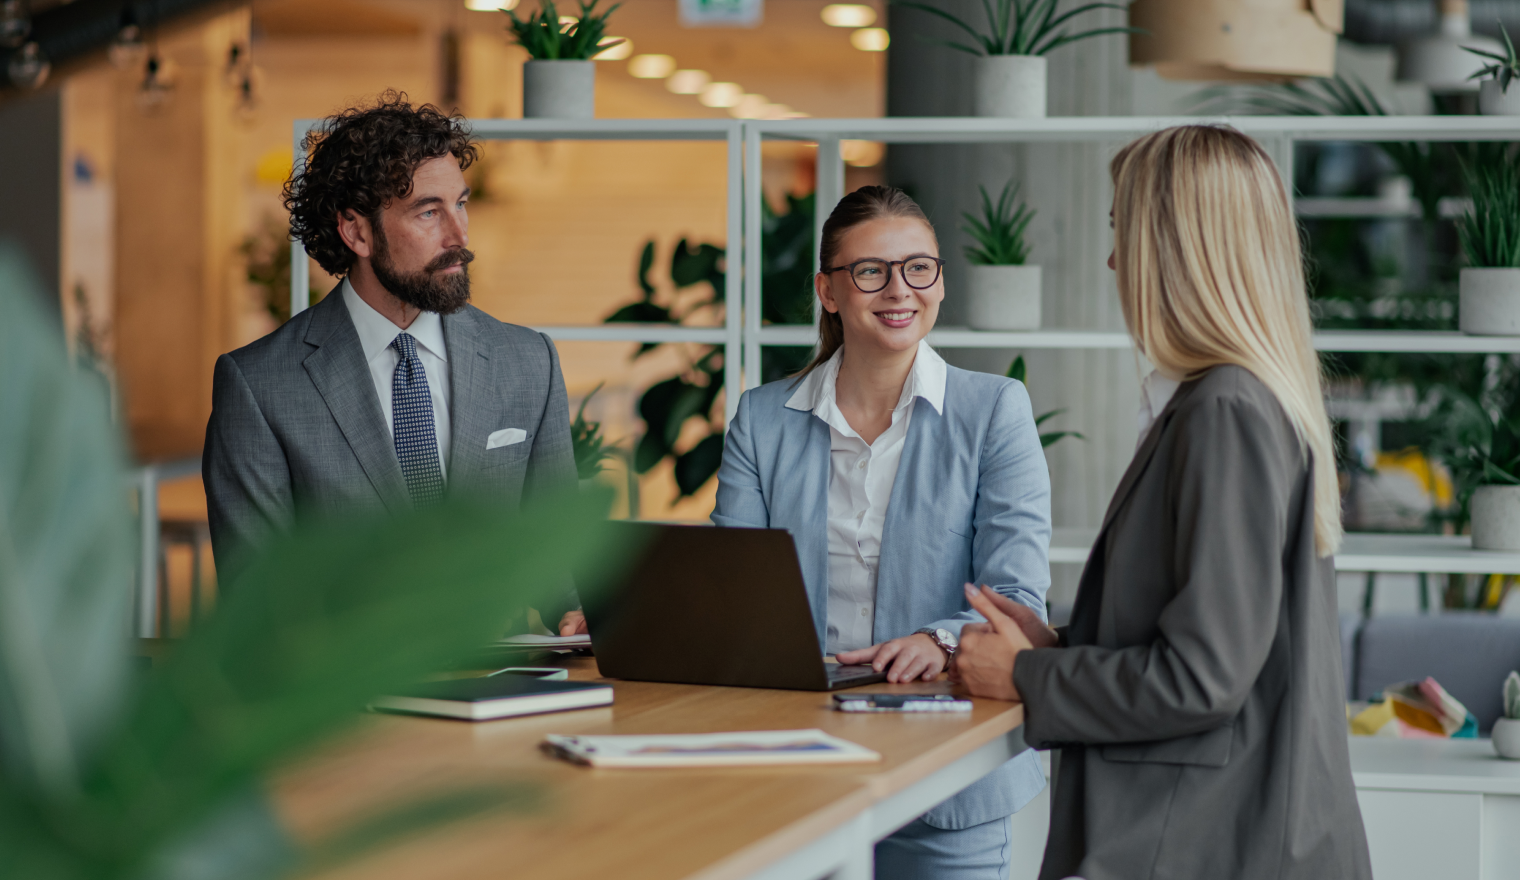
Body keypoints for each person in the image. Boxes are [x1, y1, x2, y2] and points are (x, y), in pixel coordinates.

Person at [952, 125, 1373, 880]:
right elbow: (1208, 633)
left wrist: (1026, 678)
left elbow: (1199, 679)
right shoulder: (1235, 402)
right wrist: (1058, 647)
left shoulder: (1226, 412)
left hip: (1198, 845)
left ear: (1177, 248)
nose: (1113, 260)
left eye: (1123, 229)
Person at [710, 185, 1053, 880]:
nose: (899, 289)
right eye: (871, 271)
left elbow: (1017, 593)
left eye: (918, 267)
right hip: (794, 757)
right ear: (829, 291)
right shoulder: (763, 418)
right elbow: (730, 585)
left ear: (940, 282)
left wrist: (939, 638)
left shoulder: (994, 411)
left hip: (945, 764)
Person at [203, 93, 575, 581]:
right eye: (428, 212)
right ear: (356, 232)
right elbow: (255, 601)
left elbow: (558, 561)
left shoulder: (530, 362)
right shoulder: (258, 386)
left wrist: (576, 609)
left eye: (460, 204)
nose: (460, 236)